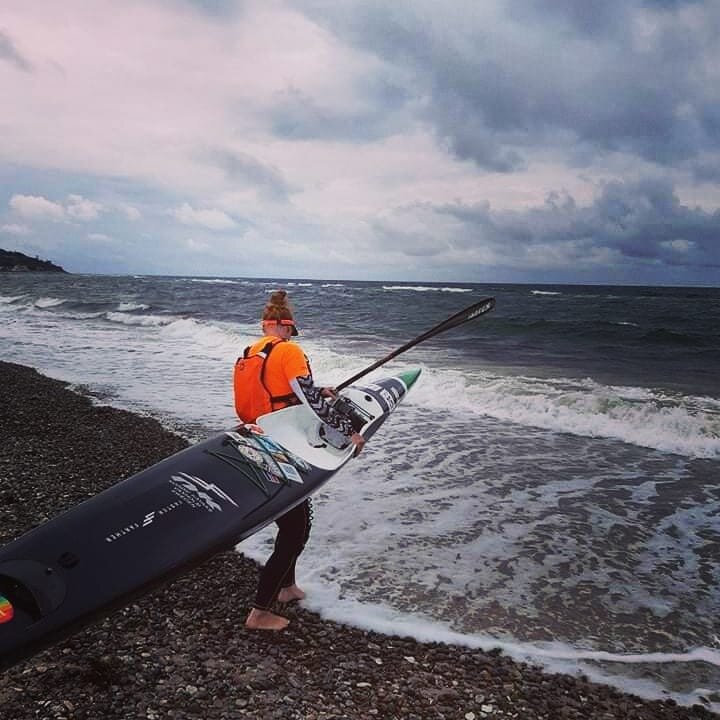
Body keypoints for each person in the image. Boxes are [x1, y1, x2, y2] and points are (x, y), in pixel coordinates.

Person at [234, 289, 365, 630]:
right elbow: (311, 404)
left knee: (290, 517)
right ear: (288, 328)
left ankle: (287, 588)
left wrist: (315, 389)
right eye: (292, 331)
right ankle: (259, 611)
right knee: (296, 529)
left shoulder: (252, 351)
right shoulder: (290, 350)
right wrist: (348, 430)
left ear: (265, 325)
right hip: (284, 442)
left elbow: (280, 391)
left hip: (255, 436)